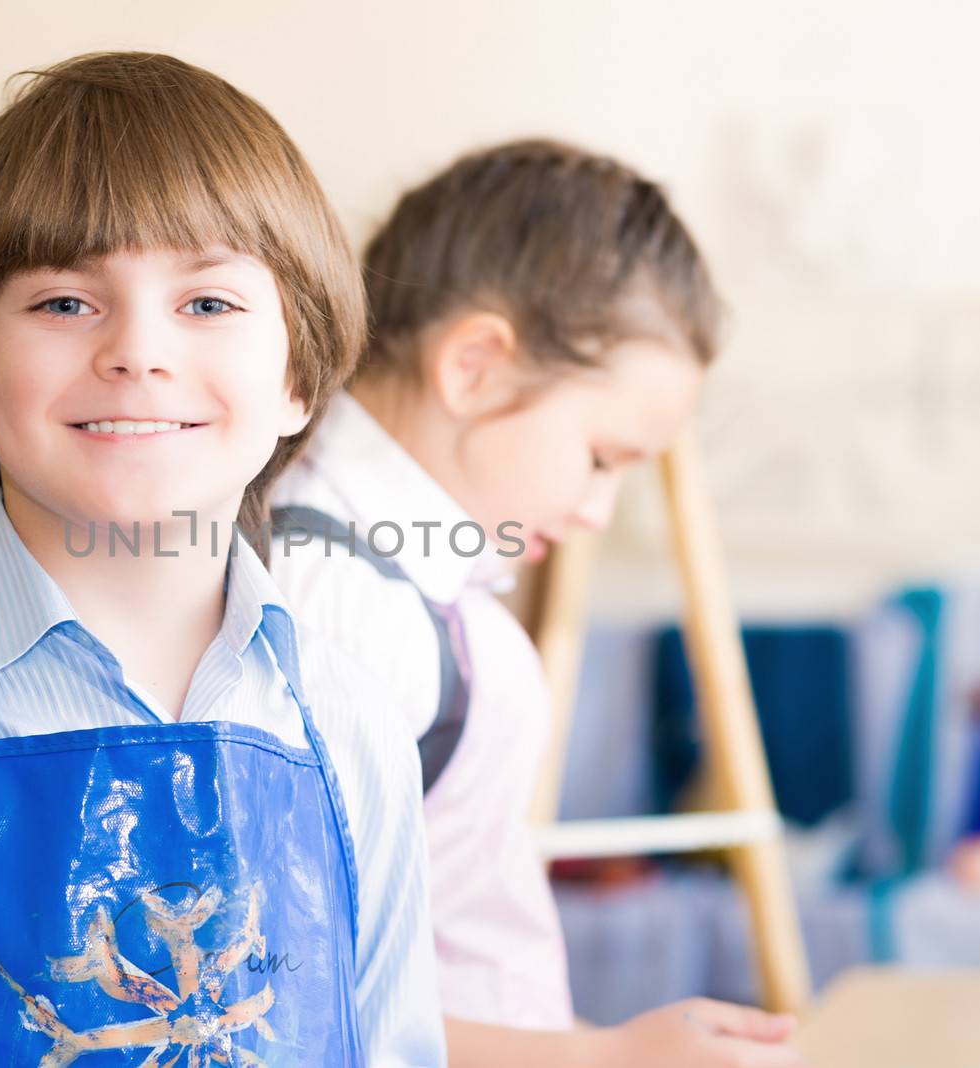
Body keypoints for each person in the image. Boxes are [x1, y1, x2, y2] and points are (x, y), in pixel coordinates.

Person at [0, 52, 444, 1066]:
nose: (137, 352)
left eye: (208, 304)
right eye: (64, 302)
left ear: (298, 380)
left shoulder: (353, 729)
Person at [270, 139, 810, 1067]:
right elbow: (286, 1002)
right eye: (601, 457)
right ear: (475, 364)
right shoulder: (343, 609)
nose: (599, 509)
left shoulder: (407, 579)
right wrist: (612, 1057)